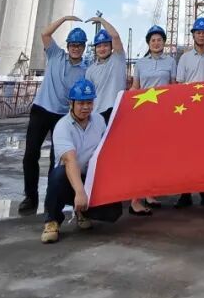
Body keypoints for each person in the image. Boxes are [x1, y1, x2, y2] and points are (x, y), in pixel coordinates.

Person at [40, 79, 123, 243]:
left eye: (89, 102)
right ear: (71, 103)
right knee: (58, 175)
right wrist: (80, 192)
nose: (86, 107)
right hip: (69, 178)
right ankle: (52, 221)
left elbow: (107, 150)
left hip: (90, 177)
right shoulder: (63, 127)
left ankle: (82, 211)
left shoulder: (99, 121)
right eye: (81, 103)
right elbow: (70, 160)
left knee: (113, 212)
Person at [19, 15, 87, 215]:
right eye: (73, 44)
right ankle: (30, 196)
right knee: (31, 154)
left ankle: (51, 199)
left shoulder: (86, 69)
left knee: (56, 160)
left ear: (84, 47)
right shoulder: (56, 55)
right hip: (41, 109)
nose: (75, 48)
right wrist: (64, 19)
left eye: (79, 45)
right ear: (67, 46)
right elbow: (45, 33)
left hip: (63, 117)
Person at [129, 25, 177, 216]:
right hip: (144, 114)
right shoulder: (141, 63)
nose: (156, 43)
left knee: (155, 156)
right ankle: (135, 200)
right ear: (148, 43)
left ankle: (149, 193)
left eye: (159, 40)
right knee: (141, 155)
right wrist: (124, 99)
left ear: (164, 42)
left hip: (163, 114)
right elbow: (135, 86)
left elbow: (174, 87)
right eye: (153, 40)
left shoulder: (171, 61)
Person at [174, 17, 204, 209]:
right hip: (188, 110)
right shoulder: (185, 58)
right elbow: (179, 85)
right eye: (198, 32)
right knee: (186, 153)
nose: (201, 35)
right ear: (193, 35)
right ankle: (185, 193)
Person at [85, 14, 126, 124]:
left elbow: (115, 36)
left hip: (118, 111)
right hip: (97, 114)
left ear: (111, 47)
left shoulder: (118, 59)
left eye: (105, 45)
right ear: (95, 49)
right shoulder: (90, 70)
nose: (102, 49)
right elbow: (89, 95)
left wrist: (100, 20)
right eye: (98, 46)